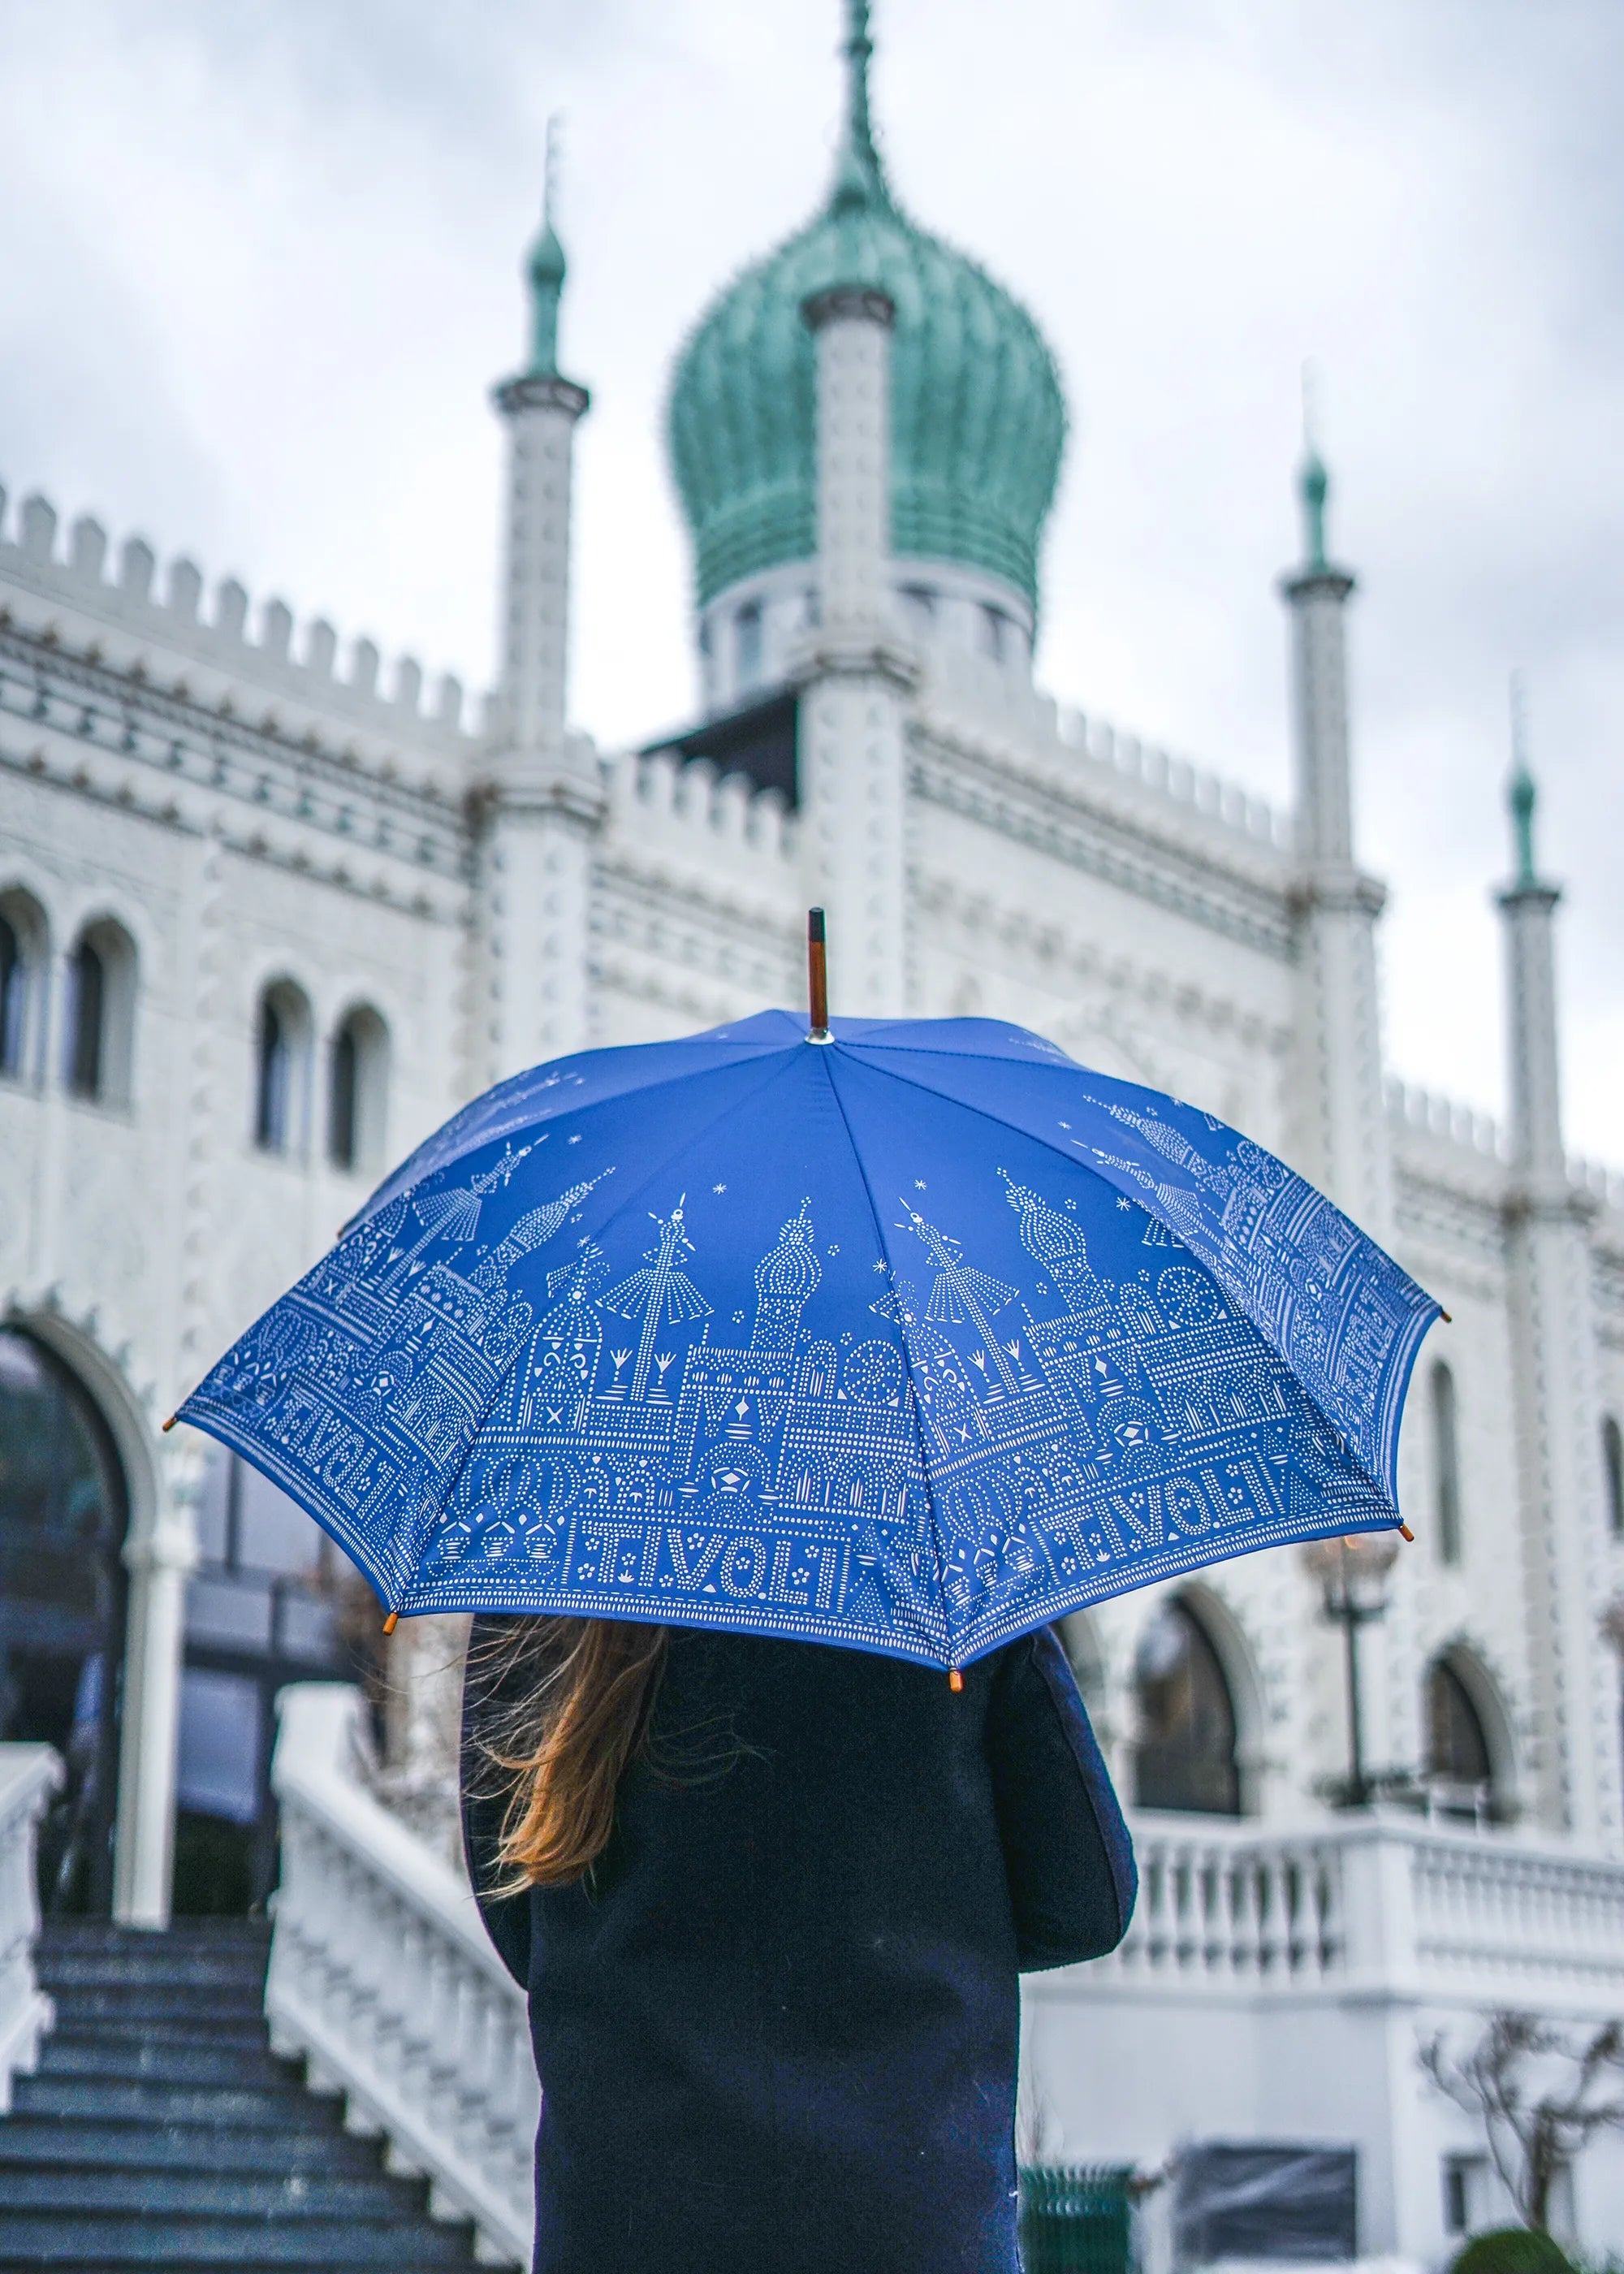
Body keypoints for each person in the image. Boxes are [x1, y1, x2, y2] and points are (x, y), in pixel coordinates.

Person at [460, 1615, 1136, 2274]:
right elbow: (1086, 1903)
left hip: (629, 2213)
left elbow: (521, 1923)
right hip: (904, 2215)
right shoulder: (954, 1580)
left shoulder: (554, 1557)